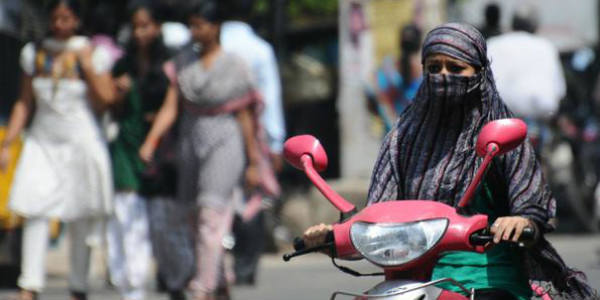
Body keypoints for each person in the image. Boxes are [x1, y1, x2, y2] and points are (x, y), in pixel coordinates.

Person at [303, 23, 595, 299]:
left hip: (487, 279)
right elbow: (380, 215)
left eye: (456, 68)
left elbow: (531, 206)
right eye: (433, 68)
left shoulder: (502, 136)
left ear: (480, 73)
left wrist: (520, 222)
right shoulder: (401, 138)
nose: (443, 76)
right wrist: (332, 237)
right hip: (413, 277)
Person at [139, 2, 278, 299]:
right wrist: (151, 141)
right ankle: (219, 278)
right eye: (192, 25)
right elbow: (170, 107)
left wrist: (254, 161)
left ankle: (202, 287)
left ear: (216, 27)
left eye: (201, 25)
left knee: (210, 213)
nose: (195, 31)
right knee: (192, 216)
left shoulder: (234, 65)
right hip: (191, 141)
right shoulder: (183, 62)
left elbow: (245, 117)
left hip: (225, 142)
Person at [0, 1, 115, 299]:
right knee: (35, 207)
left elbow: (106, 100)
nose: (61, 24)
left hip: (80, 140)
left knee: (79, 212)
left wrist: (88, 66)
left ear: (77, 20)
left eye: (67, 18)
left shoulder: (91, 52)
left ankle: (78, 285)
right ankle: (30, 283)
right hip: (43, 138)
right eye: (56, 18)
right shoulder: (35, 54)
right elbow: (24, 103)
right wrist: (8, 142)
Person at [105, 4, 178, 300]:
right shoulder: (123, 65)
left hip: (165, 151)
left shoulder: (171, 64)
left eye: (145, 26)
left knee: (164, 225)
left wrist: (154, 136)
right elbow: (111, 107)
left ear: (158, 27)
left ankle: (176, 281)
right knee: (127, 220)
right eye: (135, 27)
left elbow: (173, 107)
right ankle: (132, 290)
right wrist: (118, 93)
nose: (140, 33)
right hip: (128, 147)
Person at [219, 0, 284, 286]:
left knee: (218, 196)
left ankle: (218, 263)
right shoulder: (260, 49)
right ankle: (245, 267)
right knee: (252, 198)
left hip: (214, 133)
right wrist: (276, 144)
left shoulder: (212, 46)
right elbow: (270, 99)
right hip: (253, 135)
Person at [486, 4, 566, 154]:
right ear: (535, 26)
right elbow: (559, 92)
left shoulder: (493, 43)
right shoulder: (546, 46)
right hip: (536, 122)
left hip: (499, 124)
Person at [369, 24, 422, 133]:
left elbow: (375, 99)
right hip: (418, 135)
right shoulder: (429, 69)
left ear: (400, 42)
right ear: (419, 43)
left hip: (392, 133)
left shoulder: (388, 67)